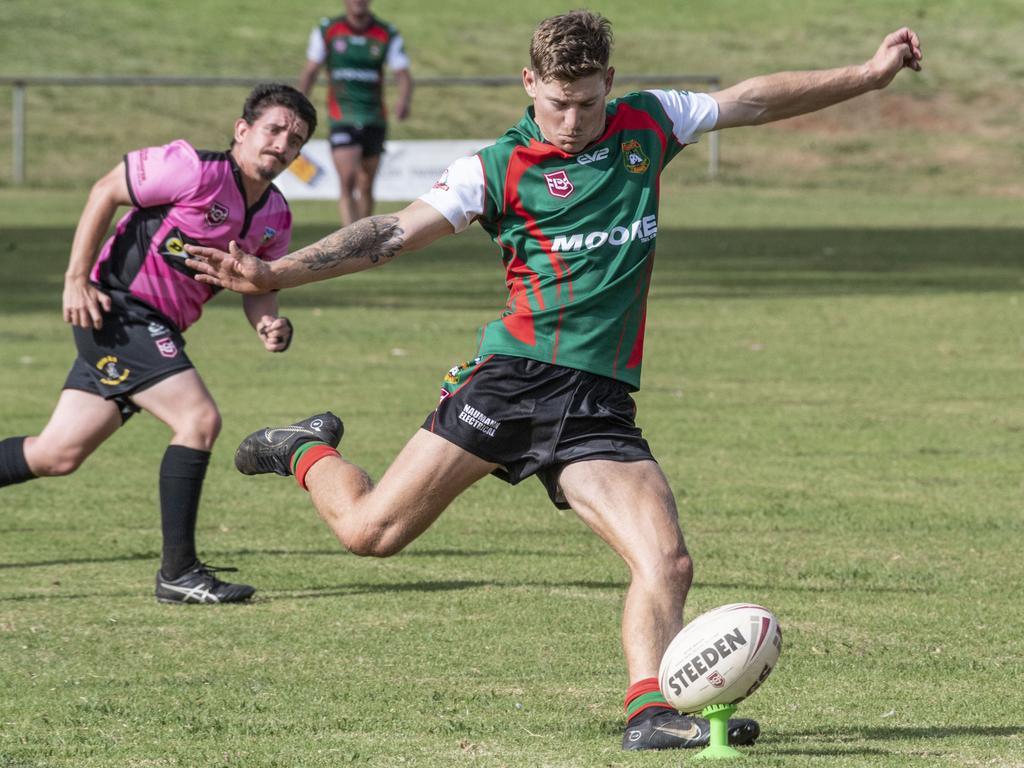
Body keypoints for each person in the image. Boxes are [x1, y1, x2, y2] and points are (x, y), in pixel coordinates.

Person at [185, 12, 922, 747]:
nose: (570, 121)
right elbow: (391, 235)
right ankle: (304, 448)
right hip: (510, 383)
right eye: (555, 103)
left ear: (610, 81)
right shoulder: (495, 167)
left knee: (667, 559)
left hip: (598, 403)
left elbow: (755, 99)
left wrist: (867, 73)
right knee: (370, 533)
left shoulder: (650, 123)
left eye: (587, 102)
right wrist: (276, 272)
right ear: (529, 83)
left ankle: (649, 714)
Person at [0, 84, 320, 605]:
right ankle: (179, 572)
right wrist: (76, 278)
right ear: (243, 131)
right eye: (275, 129)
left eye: (296, 139)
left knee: (56, 454)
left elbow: (260, 286)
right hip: (116, 309)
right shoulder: (194, 169)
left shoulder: (276, 216)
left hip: (155, 328)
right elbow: (105, 190)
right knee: (198, 420)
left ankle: (179, 572)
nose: (283, 143)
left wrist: (268, 324)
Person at [298, 0, 413, 226]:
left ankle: (365, 236)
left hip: (373, 118)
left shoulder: (385, 33)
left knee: (366, 183)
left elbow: (403, 73)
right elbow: (311, 70)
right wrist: (299, 103)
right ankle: (350, 240)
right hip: (343, 117)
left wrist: (404, 100)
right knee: (347, 180)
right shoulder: (328, 30)